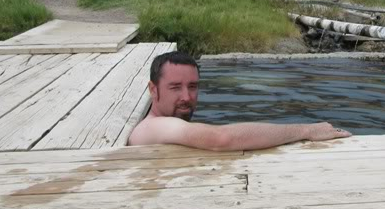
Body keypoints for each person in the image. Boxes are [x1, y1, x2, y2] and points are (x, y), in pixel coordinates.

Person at [128, 51, 351, 150]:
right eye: (175, 88)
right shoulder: (156, 126)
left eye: (193, 86)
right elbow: (221, 139)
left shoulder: (164, 126)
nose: (186, 97)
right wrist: (306, 131)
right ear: (153, 90)